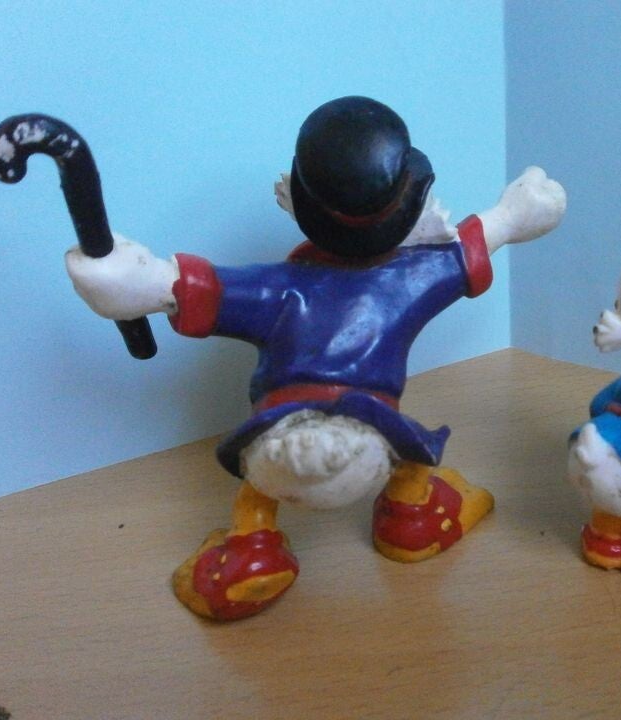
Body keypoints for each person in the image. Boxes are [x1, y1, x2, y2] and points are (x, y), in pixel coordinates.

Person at [67, 96, 566, 620]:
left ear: (300, 202)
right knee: (411, 460)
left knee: (258, 494)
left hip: (276, 442)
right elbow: (465, 252)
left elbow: (193, 289)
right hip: (373, 438)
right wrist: (512, 215)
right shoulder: (410, 279)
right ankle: (410, 518)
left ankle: (252, 546)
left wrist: (134, 283)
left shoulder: (279, 287)